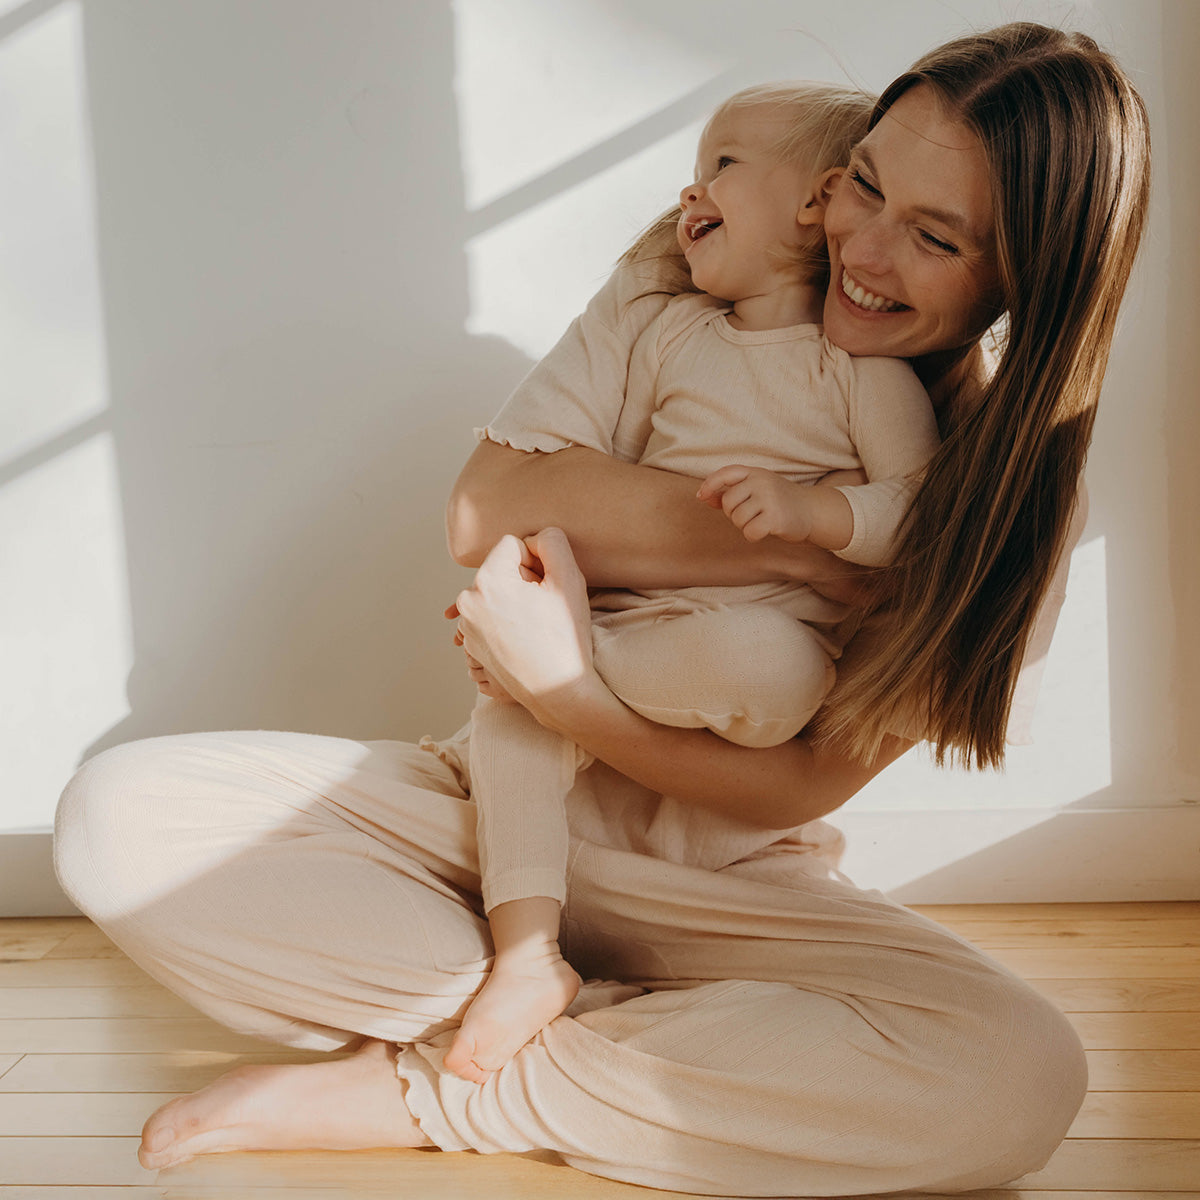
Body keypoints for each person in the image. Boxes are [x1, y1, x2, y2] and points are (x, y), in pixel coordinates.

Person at [53, 22, 1151, 1197]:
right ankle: (621, 1029)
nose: (861, 251)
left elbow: (802, 781)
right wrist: (810, 558)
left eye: (933, 237)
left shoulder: (1004, 491)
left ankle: (440, 1085)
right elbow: (488, 511)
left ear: (1023, 279)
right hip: (490, 824)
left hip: (729, 891)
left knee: (1023, 1077)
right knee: (119, 819)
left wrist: (565, 692)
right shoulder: (682, 280)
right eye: (863, 186)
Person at [451, 80, 940, 1085]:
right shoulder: (667, 328)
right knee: (508, 727)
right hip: (641, 631)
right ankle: (529, 953)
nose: (690, 188)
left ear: (815, 201)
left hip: (753, 649)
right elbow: (540, 495)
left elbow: (917, 512)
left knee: (754, 662)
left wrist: (814, 518)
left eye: (722, 162)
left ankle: (558, 667)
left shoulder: (857, 372)